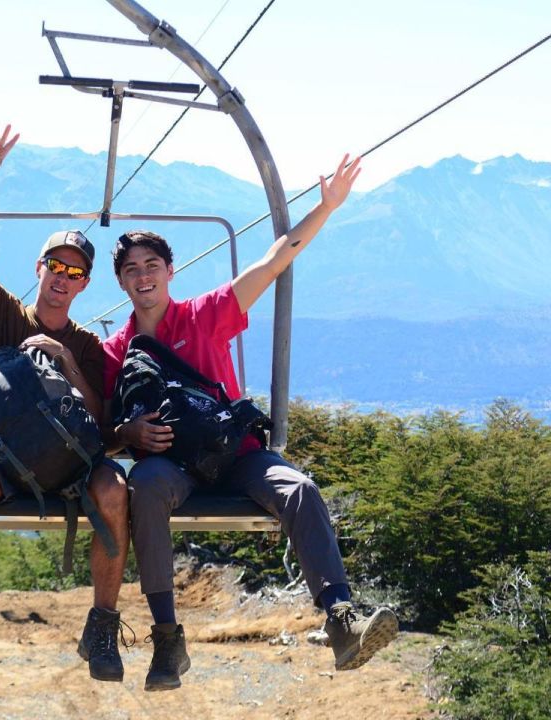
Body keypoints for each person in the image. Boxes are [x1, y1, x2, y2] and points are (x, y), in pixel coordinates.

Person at [103, 154, 398, 691]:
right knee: (142, 485)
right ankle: (167, 638)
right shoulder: (117, 350)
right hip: (170, 468)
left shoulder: (205, 314)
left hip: (235, 454)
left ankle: (341, 618)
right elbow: (97, 423)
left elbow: (274, 260)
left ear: (170, 273)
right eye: (132, 270)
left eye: (152, 266)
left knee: (298, 487)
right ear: (122, 283)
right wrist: (128, 436)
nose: (143, 277)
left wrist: (325, 209)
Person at [0, 126, 132, 683]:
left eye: (75, 272)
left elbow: (104, 425)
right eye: (54, 268)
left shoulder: (88, 346)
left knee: (114, 490)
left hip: (72, 462)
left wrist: (67, 360)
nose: (62, 279)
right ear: (39, 269)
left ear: (83, 284)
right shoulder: (6, 315)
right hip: (6, 455)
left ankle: (103, 625)